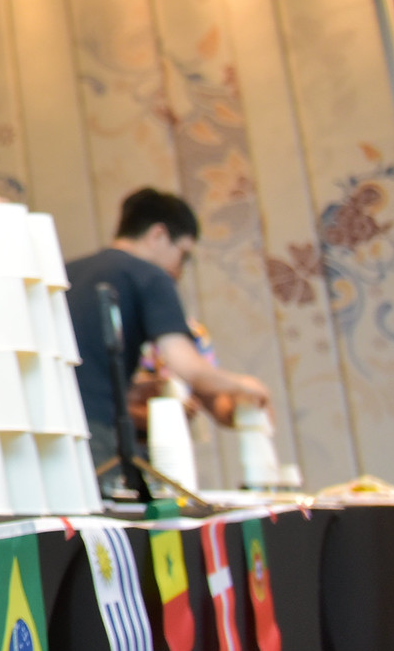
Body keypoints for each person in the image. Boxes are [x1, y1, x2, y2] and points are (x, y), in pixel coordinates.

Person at [65, 187, 269, 469]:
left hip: (54, 430)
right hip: (99, 432)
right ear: (158, 235)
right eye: (183, 254)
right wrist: (245, 385)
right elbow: (188, 367)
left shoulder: (66, 272)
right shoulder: (150, 275)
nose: (179, 269)